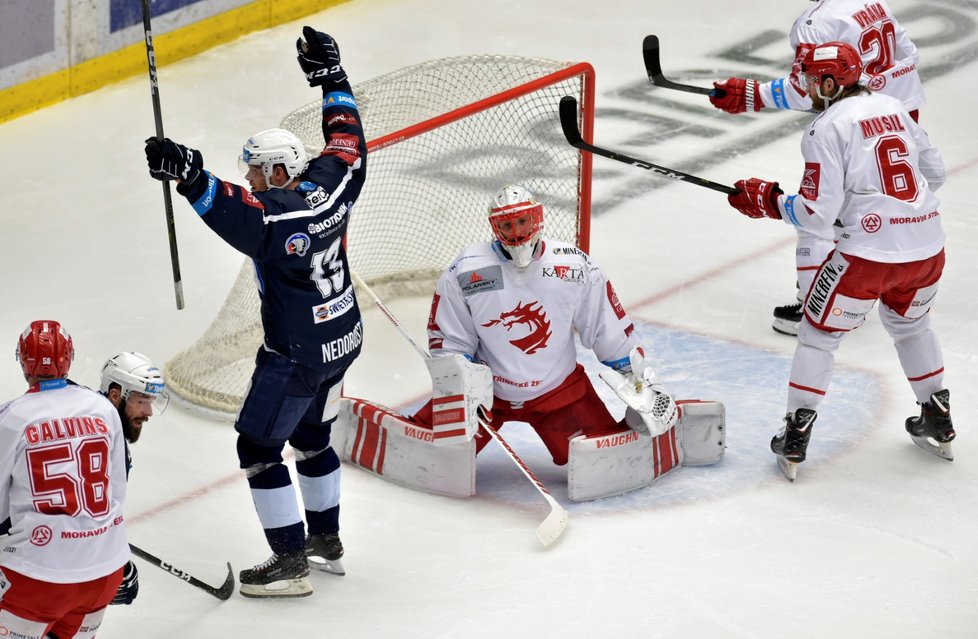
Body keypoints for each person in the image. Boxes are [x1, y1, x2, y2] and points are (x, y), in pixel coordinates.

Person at [143, 27, 366, 598]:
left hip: (296, 355)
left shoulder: (277, 220)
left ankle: (290, 561)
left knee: (259, 448)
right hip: (342, 340)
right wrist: (331, 78)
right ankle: (326, 541)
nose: (249, 179)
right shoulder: (334, 184)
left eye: (255, 171)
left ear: (276, 173)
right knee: (314, 438)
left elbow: (237, 212)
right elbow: (347, 142)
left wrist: (189, 173)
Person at [377, 184, 723, 501]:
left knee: (602, 459)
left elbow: (606, 325)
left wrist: (637, 377)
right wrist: (458, 382)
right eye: (508, 226)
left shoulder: (572, 266)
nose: (517, 233)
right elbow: (450, 339)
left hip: (558, 393)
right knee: (434, 456)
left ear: (538, 218)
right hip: (485, 398)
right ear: (494, 228)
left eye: (522, 221)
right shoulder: (468, 269)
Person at [725, 42, 952, 481]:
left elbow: (816, 215)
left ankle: (796, 434)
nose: (808, 88)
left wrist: (769, 201)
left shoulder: (825, 127)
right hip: (928, 249)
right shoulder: (892, 104)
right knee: (912, 327)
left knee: (818, 336)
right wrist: (901, 215)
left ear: (831, 82)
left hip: (868, 259)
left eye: (812, 80)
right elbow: (936, 173)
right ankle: (937, 415)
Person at [709, 0, 926, 336]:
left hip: (856, 123)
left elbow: (805, 88)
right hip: (902, 116)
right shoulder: (869, 2)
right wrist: (876, 92)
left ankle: (817, 305)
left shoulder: (816, 21)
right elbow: (908, 54)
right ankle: (882, 283)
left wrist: (756, 94)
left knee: (818, 213)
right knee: (885, 204)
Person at [0, 321, 129, 638]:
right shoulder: (103, 408)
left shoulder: (12, 418)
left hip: (39, 578)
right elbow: (117, 493)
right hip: (106, 572)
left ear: (23, 362)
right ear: (69, 359)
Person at [99, 351, 168, 608]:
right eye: (142, 401)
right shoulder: (110, 444)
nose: (149, 412)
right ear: (115, 395)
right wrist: (112, 558)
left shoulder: (82, 410)